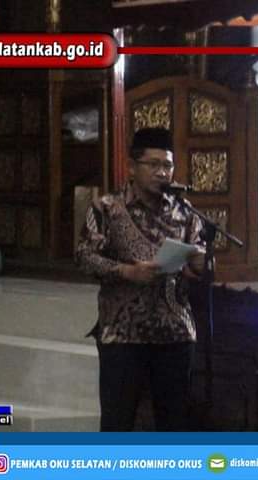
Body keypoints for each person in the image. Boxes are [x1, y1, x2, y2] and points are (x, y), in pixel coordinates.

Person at [76, 127, 206, 431]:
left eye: (168, 165)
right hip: (123, 334)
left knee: (174, 425)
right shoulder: (106, 208)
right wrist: (127, 272)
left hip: (175, 333)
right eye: (154, 165)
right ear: (132, 167)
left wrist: (199, 264)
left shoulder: (185, 212)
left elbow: (198, 267)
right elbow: (84, 258)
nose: (162, 173)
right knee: (118, 423)